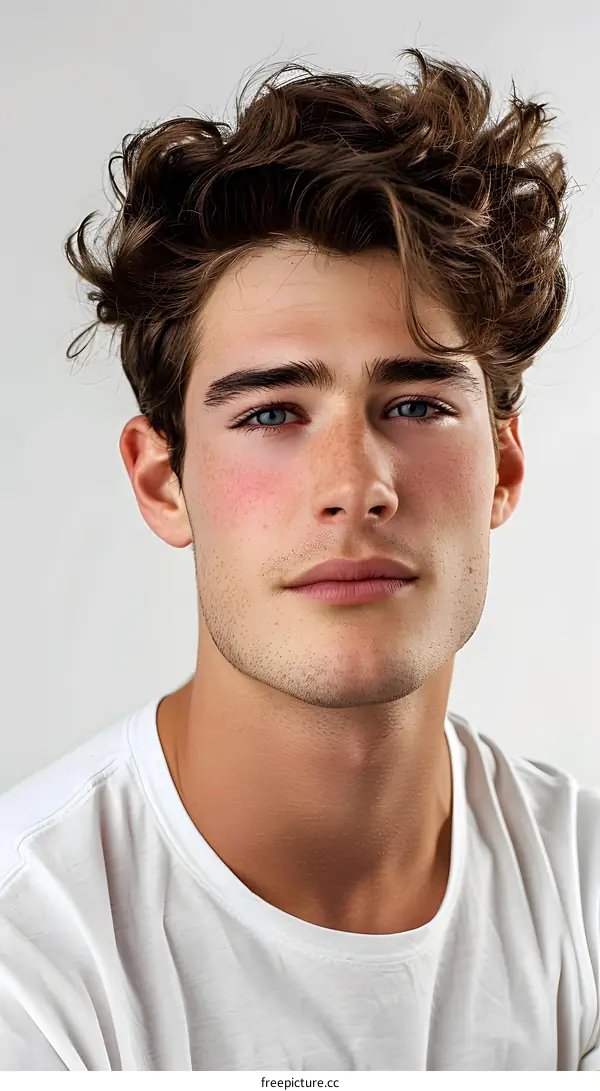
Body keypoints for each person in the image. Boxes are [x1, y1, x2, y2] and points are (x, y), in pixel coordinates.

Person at [0, 47, 598, 1072]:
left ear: (502, 462)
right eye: (273, 411)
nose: (356, 481)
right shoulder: (28, 943)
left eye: (415, 403)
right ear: (160, 481)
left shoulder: (583, 892)